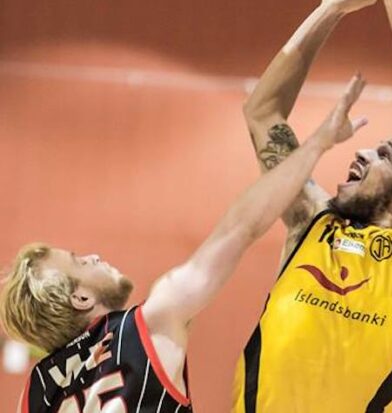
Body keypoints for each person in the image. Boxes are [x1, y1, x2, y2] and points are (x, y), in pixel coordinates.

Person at [0, 77, 368, 413]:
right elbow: (239, 228)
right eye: (79, 262)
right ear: (80, 298)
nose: (93, 256)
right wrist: (319, 142)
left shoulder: (35, 393)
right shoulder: (147, 325)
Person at [231, 0, 392, 413]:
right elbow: (262, 112)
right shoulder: (310, 218)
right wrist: (330, 8)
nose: (361, 152)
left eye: (384, 155)